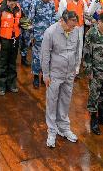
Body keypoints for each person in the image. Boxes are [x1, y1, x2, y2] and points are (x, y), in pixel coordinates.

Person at [41, 11, 84, 148]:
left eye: (74, 26)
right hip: (55, 73)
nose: (72, 29)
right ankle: (52, 131)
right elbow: (45, 54)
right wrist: (46, 74)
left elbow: (77, 49)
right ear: (62, 21)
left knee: (65, 100)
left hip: (69, 73)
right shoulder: (50, 32)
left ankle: (64, 128)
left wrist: (76, 68)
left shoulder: (76, 31)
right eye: (69, 26)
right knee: (52, 101)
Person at [0, 0, 23, 96]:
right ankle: (2, 86)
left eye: (15, 4)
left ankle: (11, 84)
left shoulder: (18, 9)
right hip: (4, 41)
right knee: (3, 63)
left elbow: (22, 21)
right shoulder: (1, 10)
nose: (13, 6)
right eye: (12, 4)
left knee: (12, 63)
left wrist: (25, 24)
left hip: (15, 40)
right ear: (8, 1)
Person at [28, 0, 57, 88]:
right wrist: (31, 35)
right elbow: (30, 20)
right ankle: (36, 76)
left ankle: (44, 76)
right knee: (37, 56)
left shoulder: (51, 2)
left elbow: (54, 16)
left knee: (48, 56)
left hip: (49, 35)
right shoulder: (35, 3)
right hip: (38, 35)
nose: (49, 0)